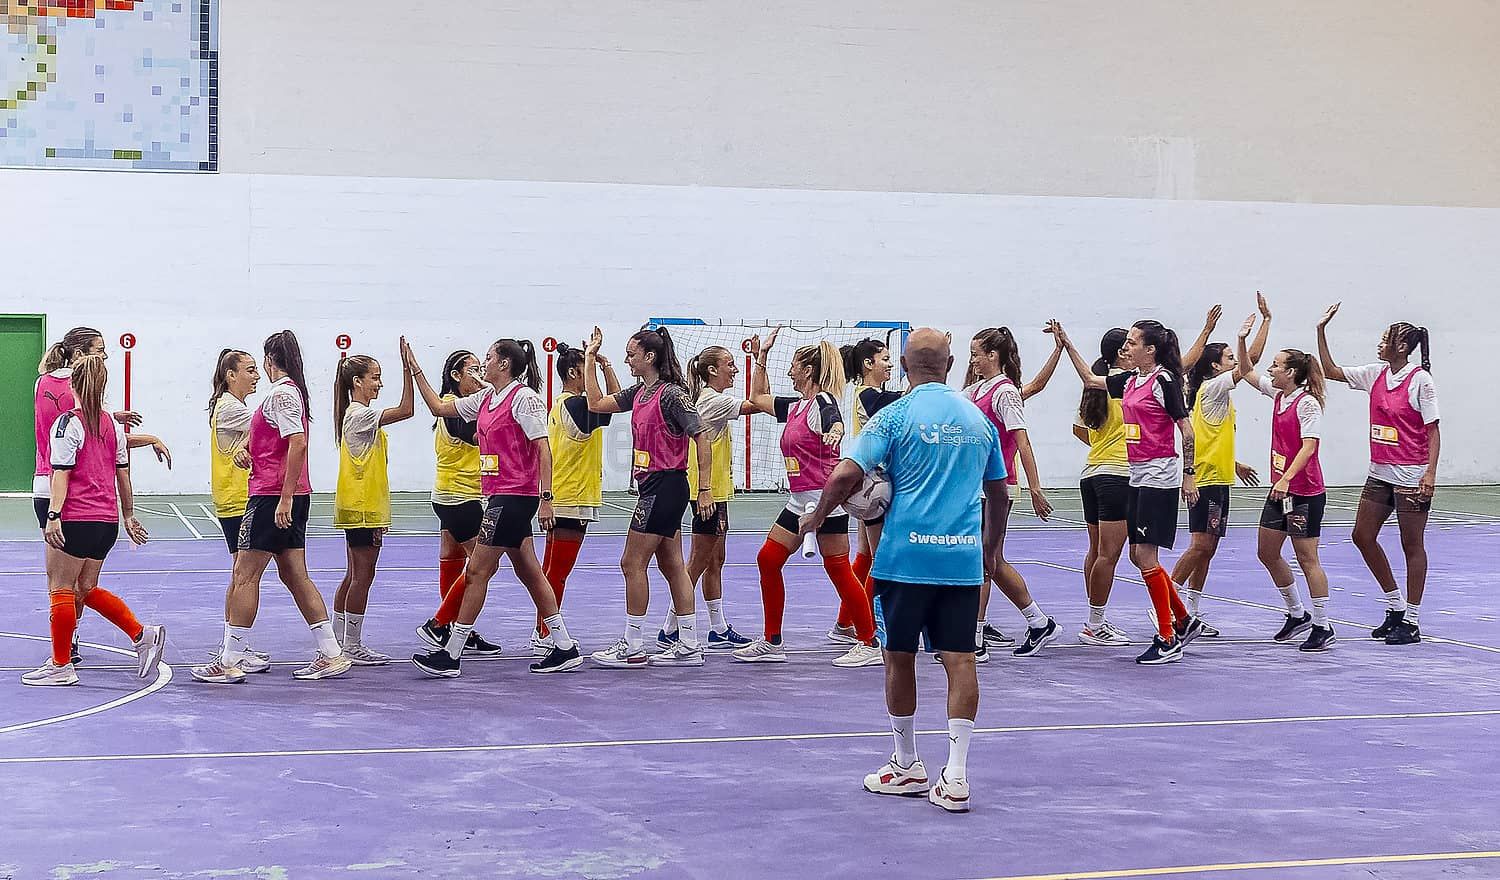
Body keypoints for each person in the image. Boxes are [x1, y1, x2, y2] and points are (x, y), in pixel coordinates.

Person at [800, 328, 1008, 813]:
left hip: (905, 560)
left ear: (905, 365)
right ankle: (955, 775)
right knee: (960, 660)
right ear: (953, 363)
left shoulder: (892, 417)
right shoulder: (978, 421)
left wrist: (817, 514)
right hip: (961, 561)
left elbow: (848, 472)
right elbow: (999, 493)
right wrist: (990, 549)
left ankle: (907, 762)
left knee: (899, 657)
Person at [407, 338, 584, 676]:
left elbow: (543, 450)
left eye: (487, 357)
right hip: (499, 495)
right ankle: (564, 645)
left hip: (514, 497)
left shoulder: (524, 399)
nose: (482, 362)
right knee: (530, 572)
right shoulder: (486, 398)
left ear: (504, 364)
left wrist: (546, 499)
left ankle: (452, 653)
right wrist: (414, 369)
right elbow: (439, 408)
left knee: (476, 572)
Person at [191, 331, 351, 684]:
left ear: (268, 360)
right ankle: (331, 652)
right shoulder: (288, 394)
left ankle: (231, 659)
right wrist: (253, 445)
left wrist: (286, 497)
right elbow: (281, 440)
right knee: (295, 575)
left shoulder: (281, 394)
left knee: (244, 575)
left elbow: (297, 443)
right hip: (281, 493)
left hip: (270, 496)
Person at [1059, 319, 1204, 664]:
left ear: (1150, 350)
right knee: (1139, 556)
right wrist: (1066, 343)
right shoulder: (1130, 380)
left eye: (1133, 342)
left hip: (1159, 475)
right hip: (1136, 475)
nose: (1127, 347)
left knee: (1146, 558)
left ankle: (1167, 637)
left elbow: (1186, 430)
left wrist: (1189, 474)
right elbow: (1091, 380)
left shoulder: (1164, 380)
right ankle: (1183, 619)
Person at [733, 329, 879, 668]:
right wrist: (761, 356)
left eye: (794, 366)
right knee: (768, 560)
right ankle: (772, 642)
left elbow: (835, 421)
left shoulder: (822, 402)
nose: (790, 372)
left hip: (824, 500)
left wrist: (835, 433)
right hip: (799, 500)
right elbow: (756, 396)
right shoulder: (795, 407)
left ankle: (868, 641)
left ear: (808, 371)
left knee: (839, 568)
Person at [23, 355, 167, 686]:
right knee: (86, 588)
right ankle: (142, 634)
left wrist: (54, 515)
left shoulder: (66, 424)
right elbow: (123, 474)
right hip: (106, 522)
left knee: (60, 588)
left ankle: (61, 665)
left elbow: (61, 475)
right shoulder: (113, 426)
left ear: (72, 384)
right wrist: (128, 515)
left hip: (76, 517)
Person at [583, 326, 714, 668]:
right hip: (653, 486)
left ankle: (634, 644)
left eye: (631, 354)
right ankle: (689, 644)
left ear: (650, 357)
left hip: (665, 486)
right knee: (672, 564)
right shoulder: (639, 393)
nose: (628, 360)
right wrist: (590, 359)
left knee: (631, 563)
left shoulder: (671, 395)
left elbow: (701, 436)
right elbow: (596, 403)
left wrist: (704, 489)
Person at [1317, 305, 1440, 645]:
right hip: (1380, 472)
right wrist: (1321, 330)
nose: (1380, 342)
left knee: (1411, 544)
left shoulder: (1420, 381)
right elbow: (1330, 371)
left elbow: (1433, 431)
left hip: (1410, 475)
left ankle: (1412, 620)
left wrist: (1429, 473)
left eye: (1386, 338)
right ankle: (1394, 606)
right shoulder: (1376, 374)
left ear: (1401, 346)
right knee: (1362, 535)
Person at [1171, 299, 1269, 635]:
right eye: (1227, 358)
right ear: (1215, 367)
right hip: (1206, 480)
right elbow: (1249, 362)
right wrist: (1259, 327)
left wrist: (1235, 463)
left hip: (1220, 476)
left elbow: (1207, 437)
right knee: (1199, 546)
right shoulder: (1212, 389)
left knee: (1207, 550)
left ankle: (1191, 610)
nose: (1234, 361)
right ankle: (1166, 604)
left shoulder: (1216, 396)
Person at [1237, 320, 1335, 651]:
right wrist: (1241, 337)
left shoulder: (1307, 403)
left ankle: (1323, 625)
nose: (1271, 369)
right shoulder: (1279, 396)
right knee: (1266, 551)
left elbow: (1309, 447)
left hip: (1303, 492)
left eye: (1276, 365)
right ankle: (1297, 613)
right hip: (1281, 490)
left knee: (1307, 558)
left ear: (1291, 372)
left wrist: (1286, 480)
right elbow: (1247, 371)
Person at [964, 325, 1059, 660]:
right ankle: (1038, 622)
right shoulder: (976, 391)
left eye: (977, 353)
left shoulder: (1004, 393)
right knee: (991, 561)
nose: (972, 359)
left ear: (993, 355)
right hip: (975, 488)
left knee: (981, 562)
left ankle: (974, 639)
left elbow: (1022, 441)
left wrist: (1035, 488)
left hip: (997, 487)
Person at [656, 344, 756, 650]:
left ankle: (718, 627)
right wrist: (761, 362)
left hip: (714, 490)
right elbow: (758, 404)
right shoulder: (713, 401)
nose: (735, 369)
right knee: (698, 560)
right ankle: (671, 626)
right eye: (730, 364)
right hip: (707, 493)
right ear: (712, 370)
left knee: (715, 559)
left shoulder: (707, 398)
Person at [330, 351, 415, 664]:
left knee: (353, 574)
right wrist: (409, 370)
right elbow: (407, 410)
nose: (379, 384)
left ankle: (336, 639)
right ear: (357, 382)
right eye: (375, 377)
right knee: (363, 576)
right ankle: (351, 642)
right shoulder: (360, 414)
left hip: (358, 504)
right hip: (364, 506)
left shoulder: (353, 414)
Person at [536, 341, 617, 655]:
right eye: (589, 371)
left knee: (551, 571)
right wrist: (605, 367)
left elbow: (611, 400)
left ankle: (541, 631)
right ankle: (546, 635)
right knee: (557, 572)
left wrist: (603, 364)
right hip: (570, 496)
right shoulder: (577, 406)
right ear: (574, 373)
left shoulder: (562, 404)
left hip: (566, 493)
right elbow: (614, 403)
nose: (593, 377)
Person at [427, 350, 503, 657]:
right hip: (460, 497)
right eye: (473, 370)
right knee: (485, 563)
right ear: (457, 376)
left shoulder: (458, 406)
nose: (480, 373)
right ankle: (441, 621)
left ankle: (454, 627)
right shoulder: (453, 409)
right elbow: (482, 437)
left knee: (452, 557)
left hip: (451, 493)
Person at [205, 348, 272, 673]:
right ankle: (234, 648)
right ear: (230, 375)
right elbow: (269, 425)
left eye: (257, 369)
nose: (256, 375)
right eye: (249, 370)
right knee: (245, 575)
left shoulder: (232, 407)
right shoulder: (232, 408)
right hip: (238, 498)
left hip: (233, 497)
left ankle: (233, 644)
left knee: (240, 573)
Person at [1073, 329, 1133, 645]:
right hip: (1117, 475)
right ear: (1122, 352)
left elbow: (1078, 429)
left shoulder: (1096, 384)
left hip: (1092, 473)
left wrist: (1102, 445)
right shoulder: (1125, 384)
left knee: (1096, 551)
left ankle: (1095, 618)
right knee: (1109, 555)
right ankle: (1095, 624)